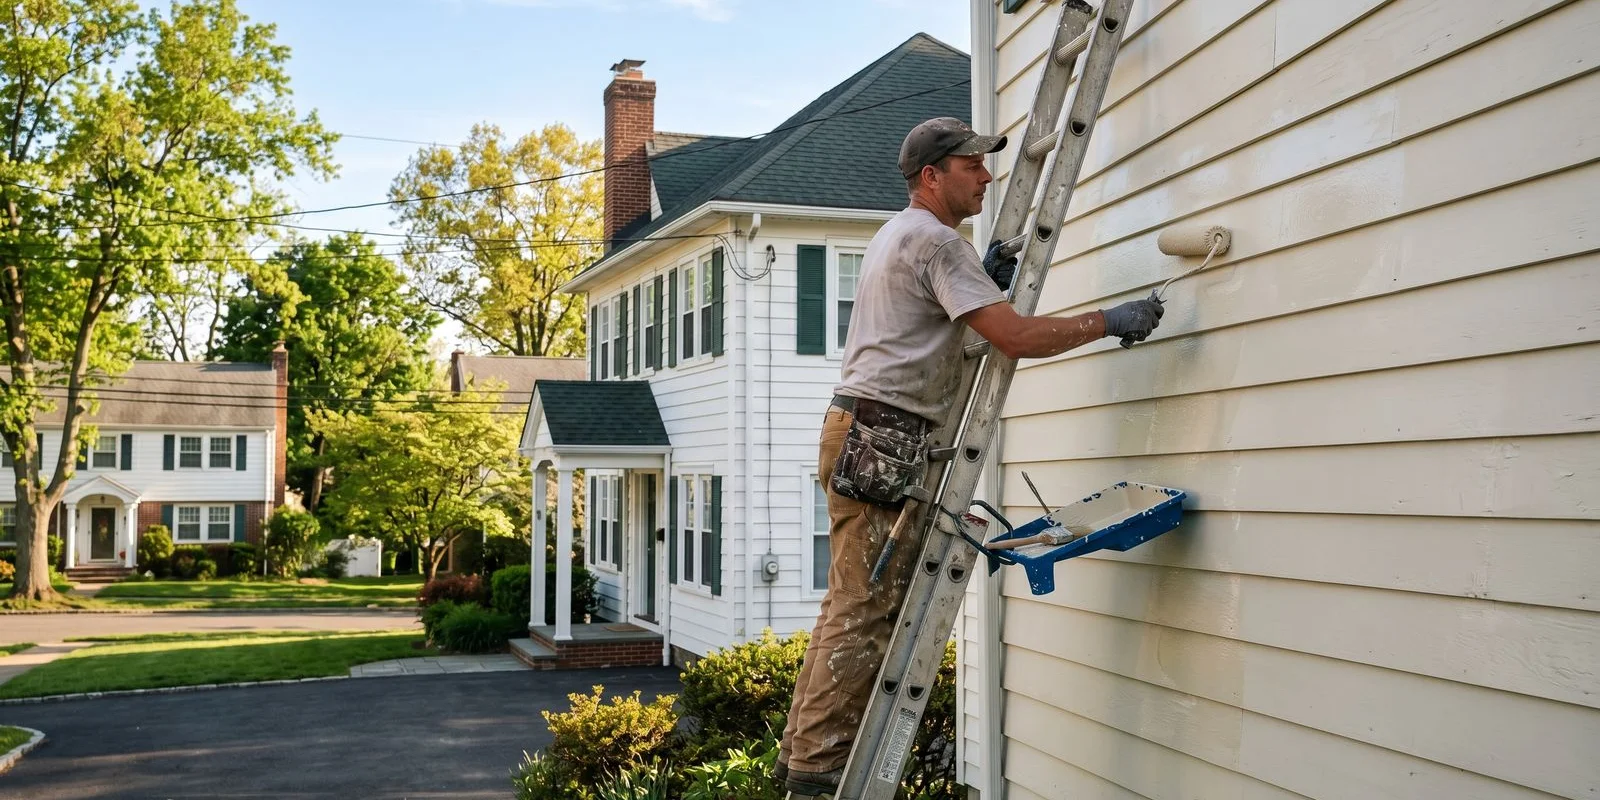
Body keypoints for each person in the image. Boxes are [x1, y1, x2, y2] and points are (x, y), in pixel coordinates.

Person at [777, 116, 1164, 797]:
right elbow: (1012, 336)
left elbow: (939, 335)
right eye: (972, 166)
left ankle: (802, 753)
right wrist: (1110, 321)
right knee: (865, 608)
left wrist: (979, 280)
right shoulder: (935, 243)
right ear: (933, 176)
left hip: (861, 429)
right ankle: (817, 771)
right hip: (881, 436)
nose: (987, 177)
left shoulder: (901, 235)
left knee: (849, 601)